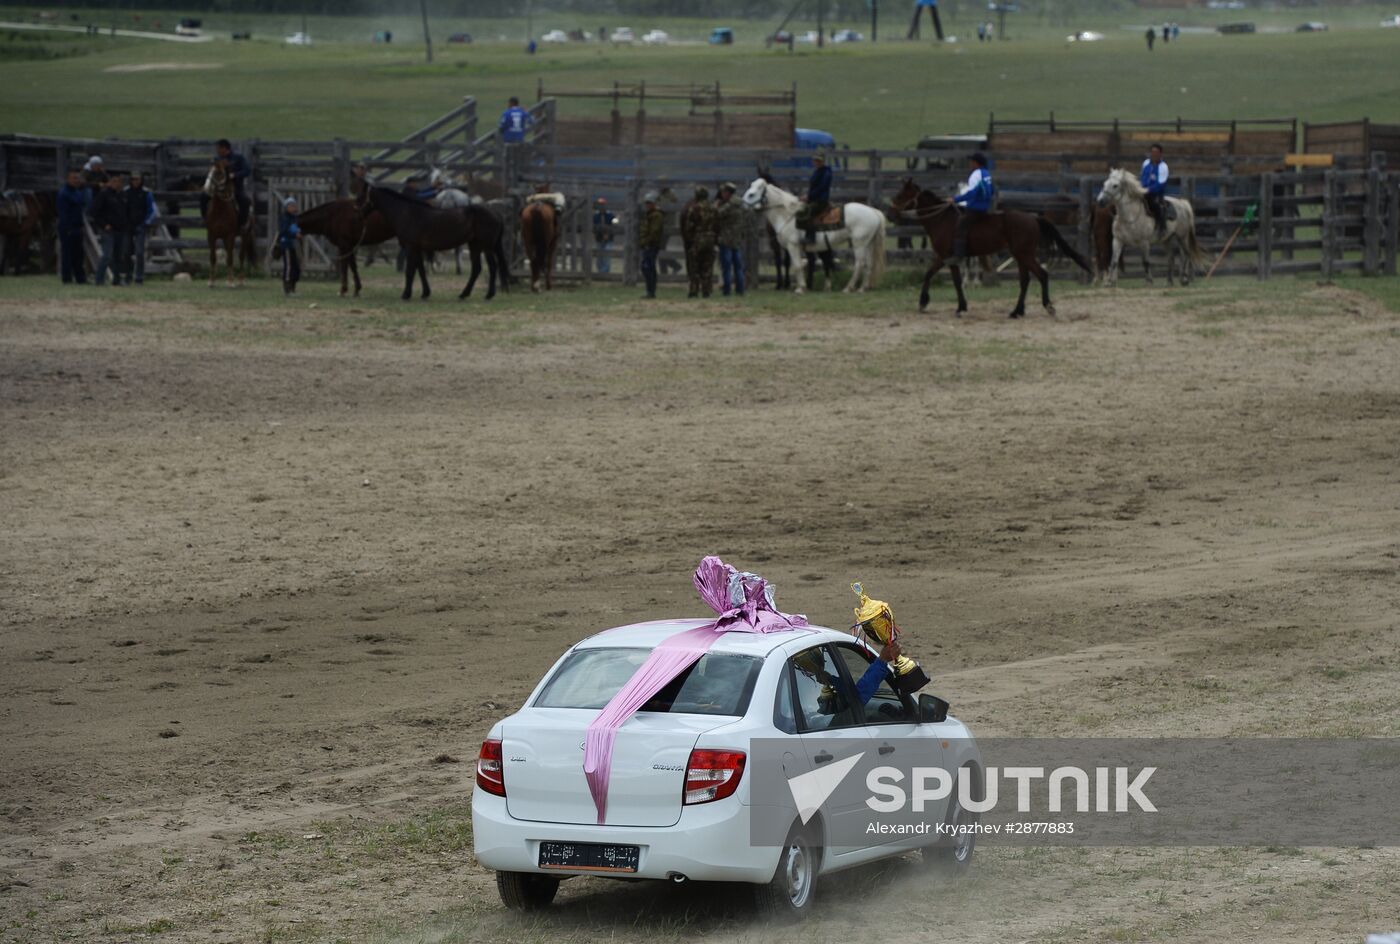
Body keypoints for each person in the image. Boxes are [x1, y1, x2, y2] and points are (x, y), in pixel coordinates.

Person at [951, 152, 994, 265]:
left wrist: (955, 199)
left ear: (976, 163)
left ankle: (958, 255)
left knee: (960, 226)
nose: (970, 163)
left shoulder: (975, 175)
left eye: (972, 161)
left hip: (975, 208)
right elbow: (992, 190)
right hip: (985, 208)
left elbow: (972, 193)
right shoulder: (986, 174)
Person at [199, 139, 251, 229]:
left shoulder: (238, 157)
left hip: (235, 187)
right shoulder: (216, 159)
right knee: (203, 197)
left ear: (225, 148)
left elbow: (247, 171)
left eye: (218, 148)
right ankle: (205, 220)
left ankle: (242, 224)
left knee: (245, 201)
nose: (217, 151)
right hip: (218, 188)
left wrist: (234, 175)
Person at [681, 185, 717, 298]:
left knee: (694, 266)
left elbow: (688, 226)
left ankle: (694, 290)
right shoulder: (713, 208)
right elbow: (717, 225)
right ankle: (706, 290)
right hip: (710, 239)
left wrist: (688, 239)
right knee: (707, 266)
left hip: (697, 240)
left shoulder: (694, 208)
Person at [91, 173, 127, 286]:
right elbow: (94, 212)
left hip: (120, 229)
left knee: (118, 257)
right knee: (107, 255)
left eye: (119, 182)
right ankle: (99, 279)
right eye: (114, 181)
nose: (117, 184)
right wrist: (104, 224)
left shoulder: (123, 195)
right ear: (110, 182)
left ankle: (117, 280)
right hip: (108, 230)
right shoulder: (104, 194)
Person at [57, 168, 90, 284]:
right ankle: (67, 278)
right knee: (67, 254)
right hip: (68, 228)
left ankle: (80, 278)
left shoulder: (78, 192)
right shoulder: (64, 193)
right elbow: (63, 213)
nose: (76, 180)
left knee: (78, 254)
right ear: (68, 179)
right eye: (74, 178)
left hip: (77, 227)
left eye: (77, 178)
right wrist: (67, 228)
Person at [714, 182, 746, 297]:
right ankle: (740, 290)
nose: (722, 194)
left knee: (726, 267)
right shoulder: (740, 204)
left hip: (726, 239)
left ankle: (727, 290)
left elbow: (717, 214)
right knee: (738, 267)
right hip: (737, 239)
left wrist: (716, 206)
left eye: (723, 192)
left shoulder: (728, 205)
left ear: (728, 193)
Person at [638, 190, 665, 299]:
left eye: (649, 203)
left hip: (651, 245)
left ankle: (651, 290)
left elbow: (654, 232)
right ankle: (650, 290)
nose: (647, 205)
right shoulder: (650, 214)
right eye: (647, 203)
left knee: (648, 267)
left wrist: (646, 242)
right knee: (647, 267)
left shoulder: (656, 215)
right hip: (648, 245)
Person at [803, 152, 833, 242]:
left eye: (818, 161)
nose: (816, 162)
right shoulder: (818, 171)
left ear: (823, 161)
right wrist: (807, 196)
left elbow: (821, 187)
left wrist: (809, 196)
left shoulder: (826, 173)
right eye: (815, 160)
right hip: (815, 199)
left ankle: (811, 237)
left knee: (808, 212)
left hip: (821, 200)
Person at [1141, 143, 1169, 235]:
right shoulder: (1146, 163)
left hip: (1156, 193)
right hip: (1143, 190)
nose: (1154, 154)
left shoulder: (1163, 167)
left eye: (1156, 152)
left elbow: (1161, 184)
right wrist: (1141, 188)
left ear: (1160, 154)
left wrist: (1149, 190)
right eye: (1152, 152)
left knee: (1155, 205)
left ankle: (1161, 226)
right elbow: (1143, 177)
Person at [277, 197, 302, 295]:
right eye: (291, 206)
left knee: (296, 267)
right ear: (286, 207)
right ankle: (287, 288)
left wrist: (298, 233)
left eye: (294, 206)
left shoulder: (294, 218)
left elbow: (295, 228)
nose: (293, 208)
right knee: (288, 266)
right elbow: (283, 231)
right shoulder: (285, 218)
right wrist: (294, 234)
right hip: (286, 244)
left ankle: (293, 287)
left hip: (293, 245)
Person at [592, 197, 616, 273]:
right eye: (599, 204)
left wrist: (608, 234)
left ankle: (605, 271)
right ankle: (600, 271)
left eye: (602, 204)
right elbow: (594, 227)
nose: (601, 206)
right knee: (599, 256)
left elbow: (614, 225)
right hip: (599, 238)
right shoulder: (596, 216)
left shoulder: (610, 215)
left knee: (607, 254)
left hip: (609, 239)